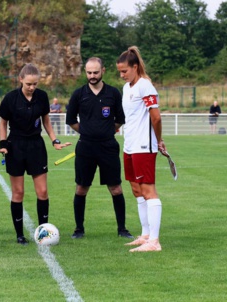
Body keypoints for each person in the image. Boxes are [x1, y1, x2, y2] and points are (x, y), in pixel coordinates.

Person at [0, 63, 70, 245]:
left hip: (36, 146)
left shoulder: (42, 97)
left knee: (43, 191)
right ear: (21, 80)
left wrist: (55, 140)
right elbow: (3, 122)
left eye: (35, 84)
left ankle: (43, 232)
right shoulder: (11, 98)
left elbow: (46, 121)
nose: (32, 87)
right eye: (29, 84)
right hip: (16, 147)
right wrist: (3, 144)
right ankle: (19, 235)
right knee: (18, 192)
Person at [66, 57, 133, 240]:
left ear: (103, 70)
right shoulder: (79, 94)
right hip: (85, 148)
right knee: (81, 188)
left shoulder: (113, 93)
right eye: (89, 73)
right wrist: (87, 132)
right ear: (85, 72)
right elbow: (71, 120)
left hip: (108, 147)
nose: (92, 76)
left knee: (116, 189)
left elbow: (120, 119)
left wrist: (105, 132)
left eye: (96, 72)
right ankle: (79, 229)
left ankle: (122, 229)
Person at [116, 46, 166, 252]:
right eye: (119, 71)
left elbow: (156, 117)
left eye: (124, 71)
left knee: (148, 190)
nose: (121, 75)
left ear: (135, 67)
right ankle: (145, 235)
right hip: (129, 145)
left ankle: (154, 241)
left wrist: (159, 140)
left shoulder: (145, 86)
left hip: (144, 146)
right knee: (136, 189)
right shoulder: (127, 88)